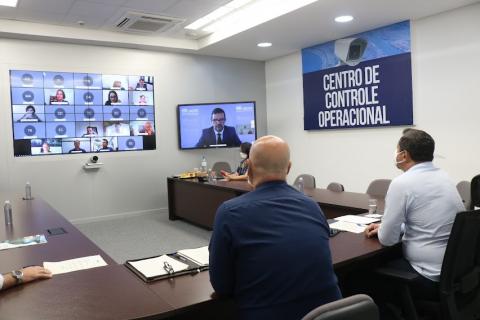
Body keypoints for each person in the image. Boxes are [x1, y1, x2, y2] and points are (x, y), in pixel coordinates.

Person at [209, 135, 341, 320]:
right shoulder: (312, 206)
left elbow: (221, 285)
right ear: (288, 168)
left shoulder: (229, 212)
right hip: (330, 315)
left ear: (249, 167)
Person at [364, 129, 464, 297]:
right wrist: (400, 227)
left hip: (426, 276)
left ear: (403, 155)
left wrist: (384, 229)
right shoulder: (444, 177)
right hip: (454, 275)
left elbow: (387, 239)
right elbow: (427, 219)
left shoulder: (402, 183)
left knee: (358, 276)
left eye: (397, 150)